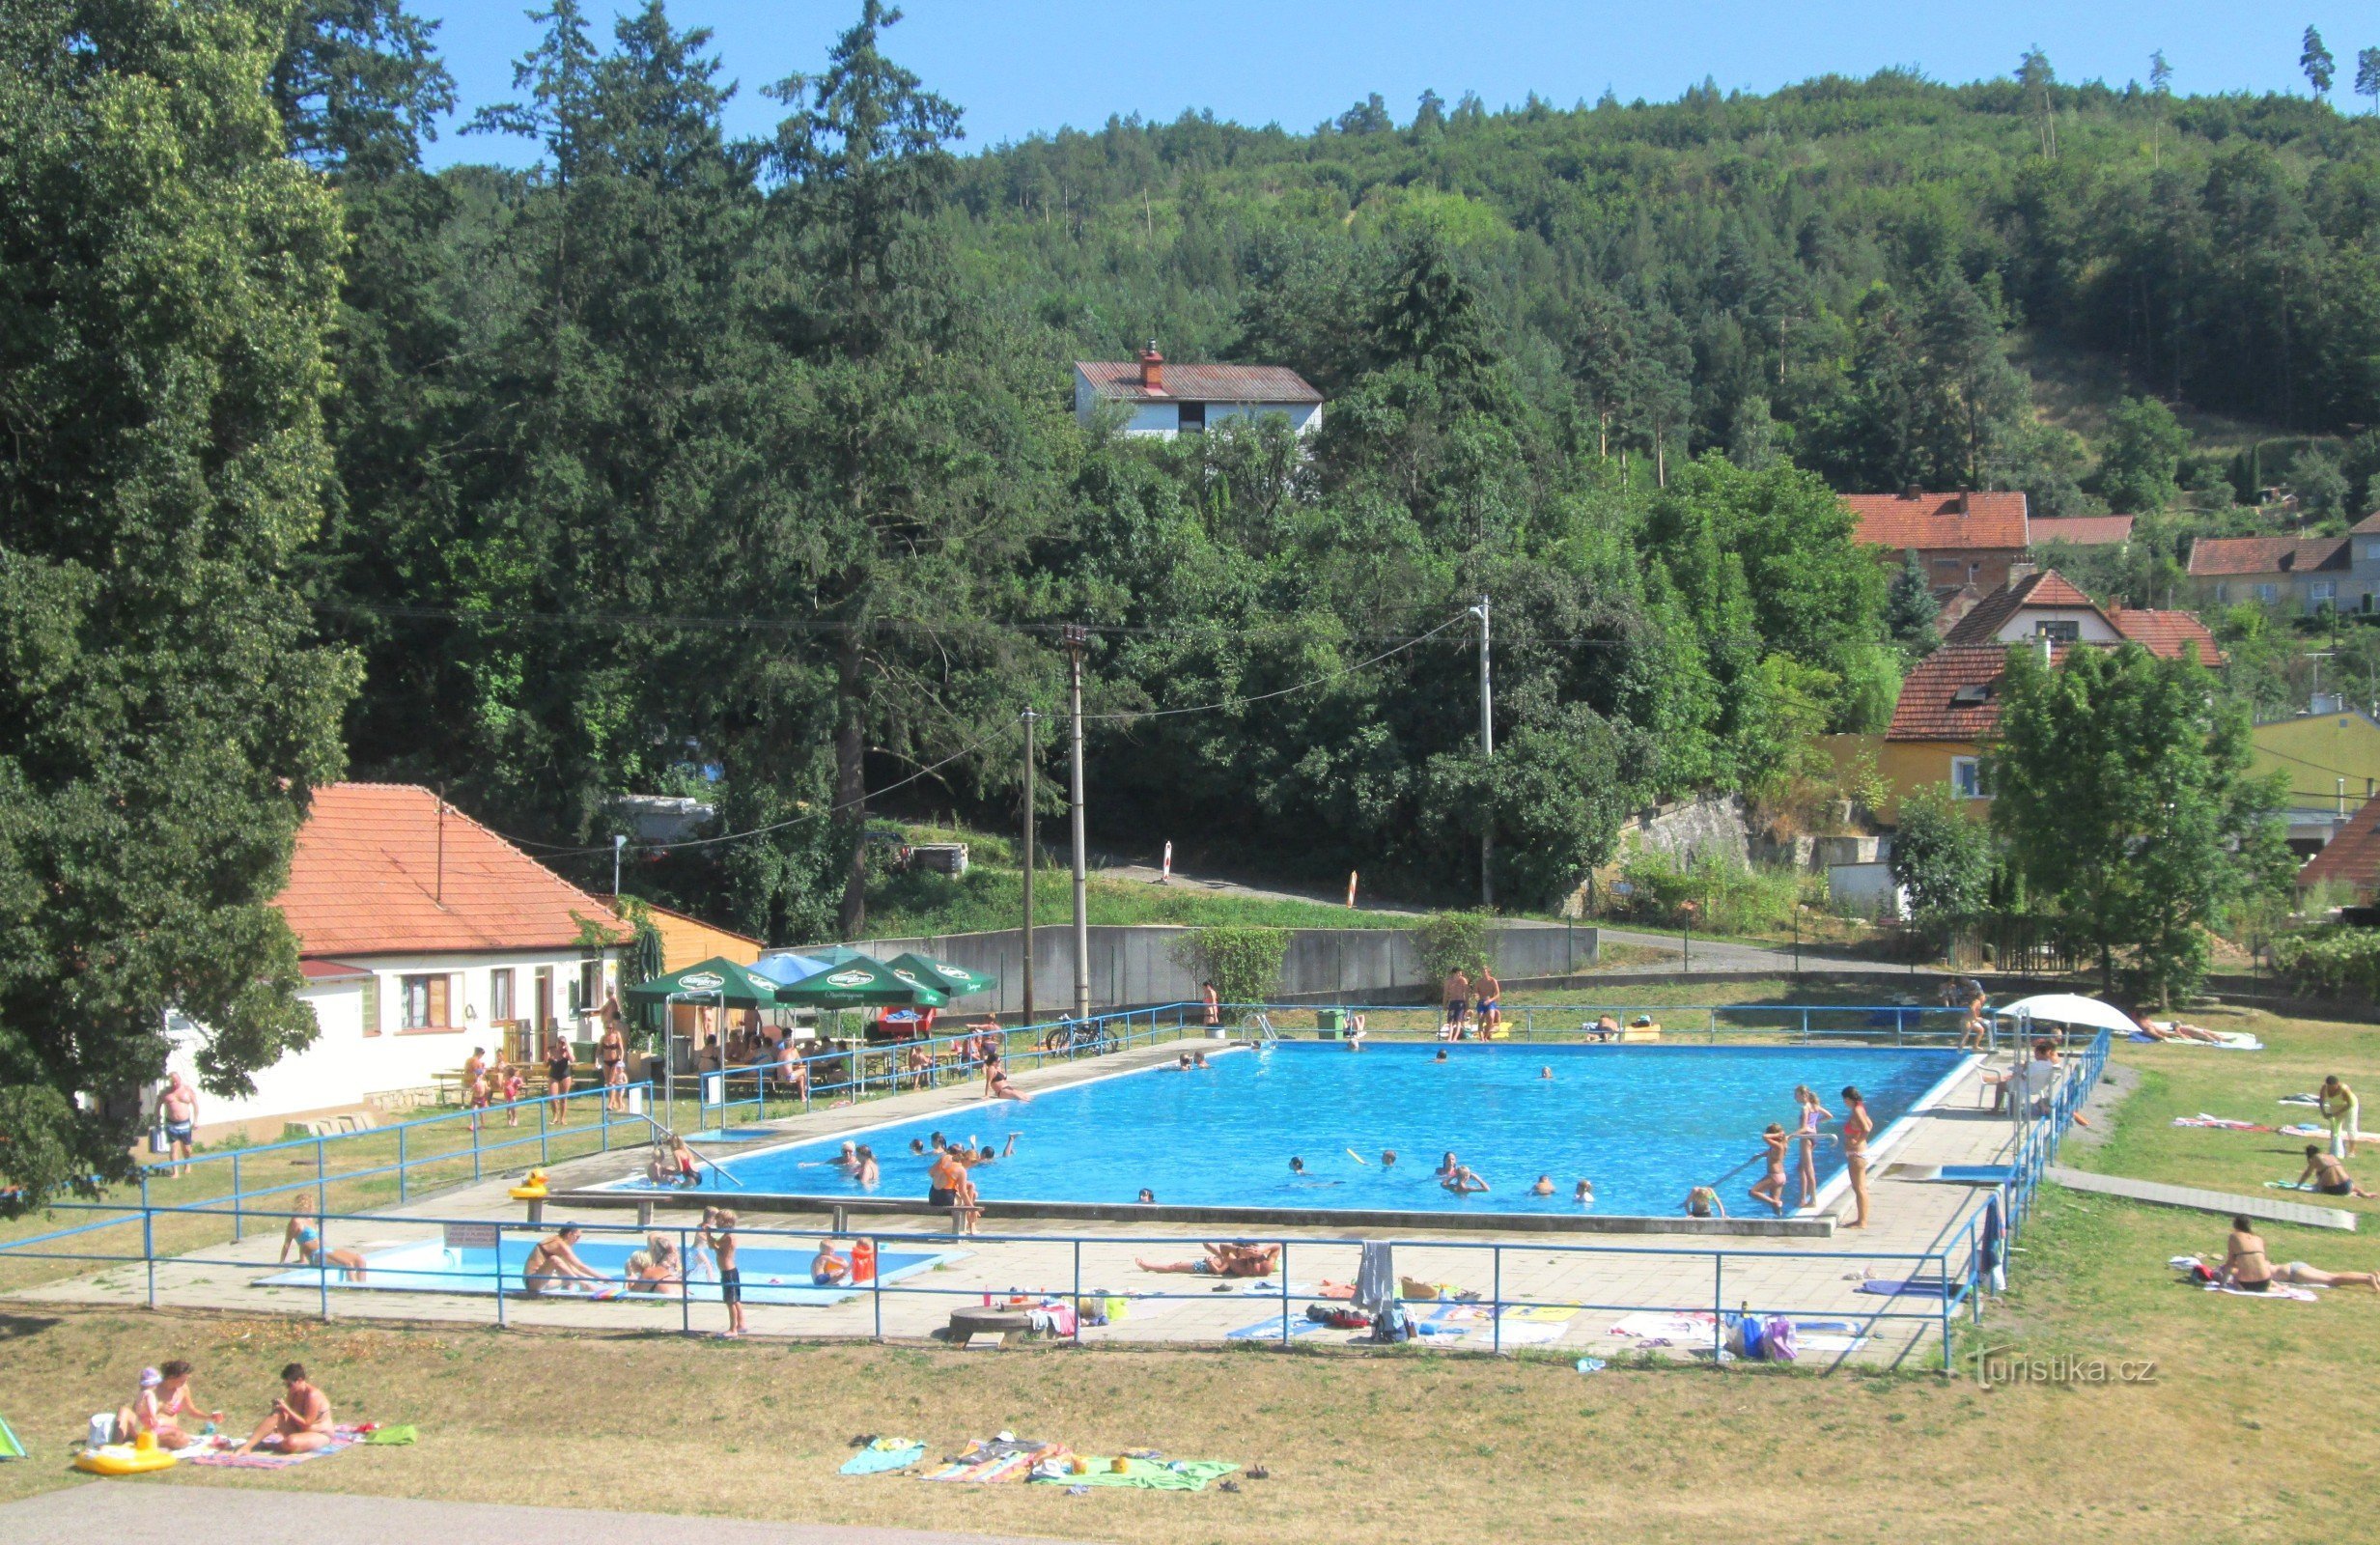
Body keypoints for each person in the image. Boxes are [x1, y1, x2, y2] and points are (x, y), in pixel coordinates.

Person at [120, 1361, 222, 1451]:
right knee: (182, 1439)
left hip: (172, 1430)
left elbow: (191, 1411)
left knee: (182, 1438)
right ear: (171, 1377)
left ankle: (145, 1441)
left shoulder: (183, 1389)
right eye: (182, 1380)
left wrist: (209, 1418)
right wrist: (159, 1406)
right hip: (154, 1427)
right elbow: (137, 1410)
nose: (185, 1383)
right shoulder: (154, 1388)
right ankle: (144, 1439)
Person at [235, 1363, 333, 1456]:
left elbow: (307, 1423)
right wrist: (279, 1409)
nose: (288, 1388)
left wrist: (286, 1408)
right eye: (286, 1385)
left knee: (291, 1442)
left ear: (299, 1380)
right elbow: (287, 1415)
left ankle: (270, 1446)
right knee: (276, 1414)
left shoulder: (312, 1395)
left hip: (319, 1434)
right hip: (299, 1430)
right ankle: (248, 1446)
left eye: (289, 1385)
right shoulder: (294, 1392)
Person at [280, 1200, 368, 1281]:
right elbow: (289, 1243)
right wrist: (282, 1262)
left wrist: (302, 1259)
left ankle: (363, 1287)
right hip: (316, 1254)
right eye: (311, 1205)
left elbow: (307, 1241)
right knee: (348, 1264)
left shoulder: (310, 1220)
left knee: (360, 1261)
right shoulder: (295, 1222)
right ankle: (354, 1288)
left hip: (326, 1249)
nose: (313, 1208)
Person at [522, 1225, 608, 1294]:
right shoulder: (559, 1244)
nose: (577, 1241)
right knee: (554, 1259)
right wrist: (600, 1276)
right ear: (569, 1234)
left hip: (543, 1280)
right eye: (577, 1237)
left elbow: (573, 1269)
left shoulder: (560, 1243)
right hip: (532, 1282)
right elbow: (580, 1266)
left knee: (568, 1274)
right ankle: (584, 1285)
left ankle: (572, 1292)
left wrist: (594, 1280)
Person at [1791, 1085, 1834, 1210]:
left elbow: (1804, 1128)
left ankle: (1813, 1200)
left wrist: (1791, 1136)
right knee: (1801, 1168)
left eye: (1796, 1095)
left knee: (1809, 1170)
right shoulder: (1815, 1106)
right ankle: (1802, 1199)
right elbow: (1829, 1116)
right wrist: (1815, 1123)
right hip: (1813, 1137)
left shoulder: (1806, 1108)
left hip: (1806, 1138)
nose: (1795, 1097)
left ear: (1803, 1095)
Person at [1135, 1243, 1280, 1278]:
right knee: (1221, 1255)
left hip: (1210, 1266)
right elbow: (1278, 1245)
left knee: (1176, 1265)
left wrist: (1211, 1263)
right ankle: (1212, 1250)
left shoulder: (1239, 1266)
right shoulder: (1265, 1265)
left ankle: (1148, 1266)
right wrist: (1263, 1250)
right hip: (1224, 1260)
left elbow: (1220, 1266)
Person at [1840, 1086, 1875, 1228]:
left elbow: (1866, 1129)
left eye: (1844, 1100)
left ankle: (1862, 1221)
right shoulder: (1860, 1108)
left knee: (1859, 1188)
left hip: (1857, 1154)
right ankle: (1861, 1219)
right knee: (1859, 1188)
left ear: (1848, 1099)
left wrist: (1857, 1141)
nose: (1844, 1103)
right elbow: (1870, 1124)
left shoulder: (1856, 1110)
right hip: (1858, 1153)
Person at [158, 1073, 199, 1179]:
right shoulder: (166, 1092)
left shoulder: (187, 1090)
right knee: (173, 1147)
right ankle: (175, 1171)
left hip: (185, 1124)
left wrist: (196, 1120)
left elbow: (195, 1105)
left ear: (180, 1079)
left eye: (177, 1081)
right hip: (171, 1124)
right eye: (173, 1082)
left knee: (187, 1149)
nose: (175, 1083)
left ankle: (187, 1164)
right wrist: (156, 1117)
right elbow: (158, 1104)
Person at [2221, 1215, 2276, 1292]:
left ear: (2235, 1225)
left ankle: (2222, 1285)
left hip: (2245, 1284)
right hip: (2264, 1282)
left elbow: (2230, 1262)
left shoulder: (2234, 1237)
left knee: (2227, 1268)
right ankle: (2272, 1288)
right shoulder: (2259, 1239)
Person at [2297, 1146, 2379, 1197]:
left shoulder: (2315, 1158)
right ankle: (2363, 1193)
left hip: (2334, 1188)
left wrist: (2298, 1185)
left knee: (2320, 1179)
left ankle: (2352, 1193)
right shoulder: (2330, 1156)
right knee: (2329, 1174)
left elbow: (2307, 1174)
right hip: (2348, 1185)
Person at [714, 1210, 744, 1335]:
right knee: (735, 1300)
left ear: (726, 1222)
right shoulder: (727, 1235)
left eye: (718, 1220)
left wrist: (708, 1237)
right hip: (730, 1271)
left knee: (730, 1301)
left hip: (728, 1272)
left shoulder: (728, 1237)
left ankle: (733, 1329)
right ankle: (741, 1324)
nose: (716, 1223)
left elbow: (719, 1250)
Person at [1750, 1124, 1790, 1216]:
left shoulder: (1777, 1145)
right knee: (1776, 1206)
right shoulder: (1783, 1145)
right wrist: (1759, 1156)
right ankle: (1779, 1218)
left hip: (1774, 1176)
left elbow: (1764, 1137)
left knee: (1753, 1192)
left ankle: (1775, 1203)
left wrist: (1777, 1134)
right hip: (1782, 1176)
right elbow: (1770, 1152)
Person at [2320, 1076, 2361, 1158]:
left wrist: (2338, 1113)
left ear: (2337, 1084)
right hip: (2334, 1106)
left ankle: (2352, 1152)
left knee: (2351, 1127)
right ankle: (2335, 1149)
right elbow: (2321, 1100)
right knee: (2334, 1128)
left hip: (2349, 1107)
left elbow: (2350, 1104)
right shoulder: (2324, 1088)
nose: (2331, 1089)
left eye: (2333, 1087)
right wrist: (2324, 1112)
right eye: (2329, 1087)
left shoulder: (2344, 1089)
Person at [599, 999, 629, 1112]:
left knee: (611, 1082)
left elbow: (621, 1047)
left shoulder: (618, 1033)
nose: (609, 1029)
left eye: (610, 1028)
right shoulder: (604, 1037)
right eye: (607, 1028)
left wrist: (620, 1059)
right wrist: (597, 1060)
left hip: (615, 1061)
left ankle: (610, 1104)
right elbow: (599, 1050)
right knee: (609, 1083)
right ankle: (617, 1102)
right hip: (606, 1061)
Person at [545, 1030, 574, 1125]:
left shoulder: (566, 1052)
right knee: (553, 1098)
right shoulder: (552, 1052)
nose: (561, 1045)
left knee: (563, 1098)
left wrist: (567, 1048)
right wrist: (547, 1058)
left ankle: (563, 1118)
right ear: (557, 1043)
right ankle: (555, 1117)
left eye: (563, 1043)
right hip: (553, 1076)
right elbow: (545, 1065)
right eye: (560, 1043)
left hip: (565, 1076)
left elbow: (572, 1060)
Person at [1442, 968, 1471, 1037]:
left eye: (1461, 973)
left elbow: (1466, 994)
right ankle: (1450, 1037)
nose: (1460, 975)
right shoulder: (1448, 981)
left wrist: (1467, 1005)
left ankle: (1455, 1037)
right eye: (1458, 973)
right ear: (1454, 973)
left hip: (1461, 1002)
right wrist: (1444, 1004)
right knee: (1451, 1021)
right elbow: (1445, 994)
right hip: (1452, 1002)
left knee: (1459, 1021)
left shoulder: (1463, 980)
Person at [1476, 968, 1502, 1035]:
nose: (1484, 974)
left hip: (1490, 1002)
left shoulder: (1493, 981)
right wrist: (1475, 996)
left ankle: (1485, 1036)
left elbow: (1498, 994)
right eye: (1482, 972)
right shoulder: (1479, 982)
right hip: (1482, 1002)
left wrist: (1490, 1000)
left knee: (1491, 1017)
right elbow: (1475, 992)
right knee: (1480, 1019)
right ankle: (1482, 1038)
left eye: (1485, 972)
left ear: (1488, 972)